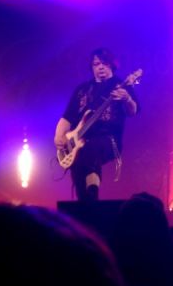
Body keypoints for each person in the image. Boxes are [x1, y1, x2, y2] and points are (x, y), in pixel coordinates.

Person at [54, 48, 139, 201]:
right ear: (92, 66)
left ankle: (93, 196)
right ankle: (84, 203)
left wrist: (127, 99)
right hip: (79, 140)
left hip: (109, 139)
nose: (100, 67)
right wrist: (59, 136)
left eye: (105, 64)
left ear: (112, 65)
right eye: (96, 64)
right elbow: (67, 117)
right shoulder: (82, 89)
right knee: (78, 166)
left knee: (90, 149)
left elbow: (133, 111)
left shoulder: (122, 86)